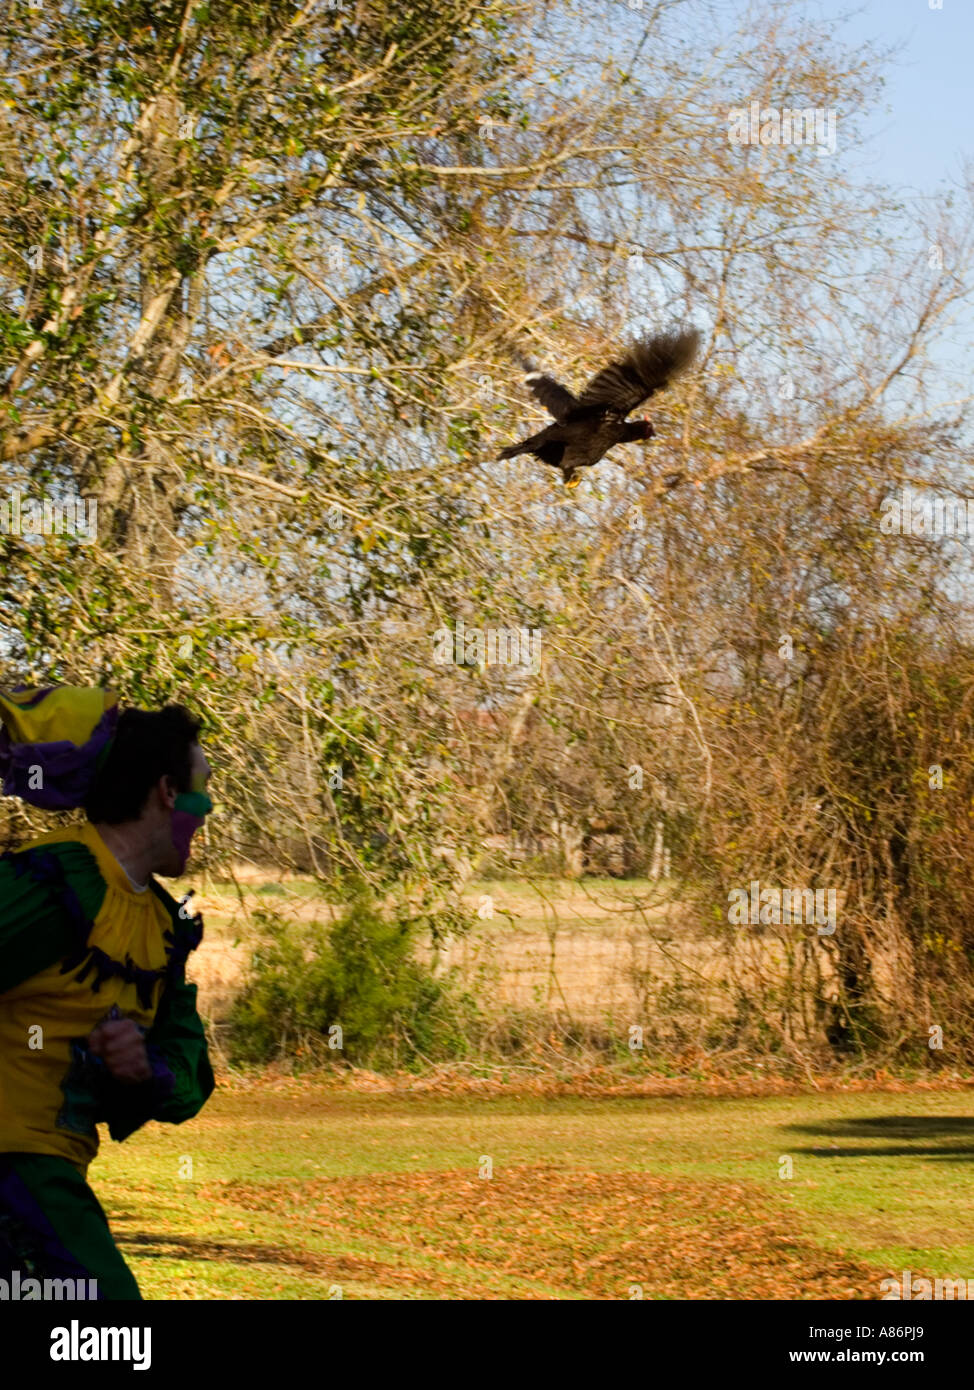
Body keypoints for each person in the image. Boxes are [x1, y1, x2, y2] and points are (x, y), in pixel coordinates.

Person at [0, 689, 215, 1299]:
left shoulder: (165, 928)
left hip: (52, 1174)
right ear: (168, 791)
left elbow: (186, 1069)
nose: (207, 809)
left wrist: (140, 1071)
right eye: (202, 786)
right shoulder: (56, 880)